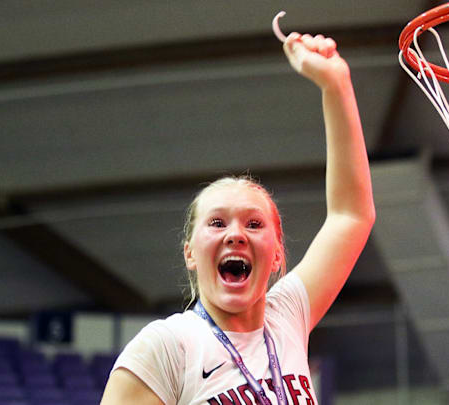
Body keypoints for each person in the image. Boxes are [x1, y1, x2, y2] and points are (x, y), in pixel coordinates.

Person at [100, 28, 375, 405]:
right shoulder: (165, 347)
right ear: (190, 253)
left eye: (254, 223)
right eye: (217, 223)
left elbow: (351, 215)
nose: (236, 234)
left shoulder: (286, 317)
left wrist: (336, 85)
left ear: (277, 253)